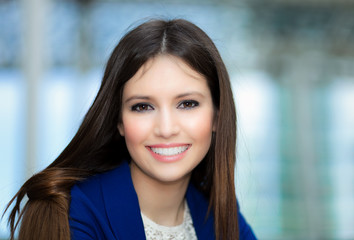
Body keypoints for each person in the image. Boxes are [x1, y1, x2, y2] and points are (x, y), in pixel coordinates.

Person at [5, 19, 257, 240]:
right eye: (143, 107)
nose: (166, 129)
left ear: (217, 116)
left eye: (187, 104)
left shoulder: (221, 215)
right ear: (119, 121)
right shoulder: (69, 213)